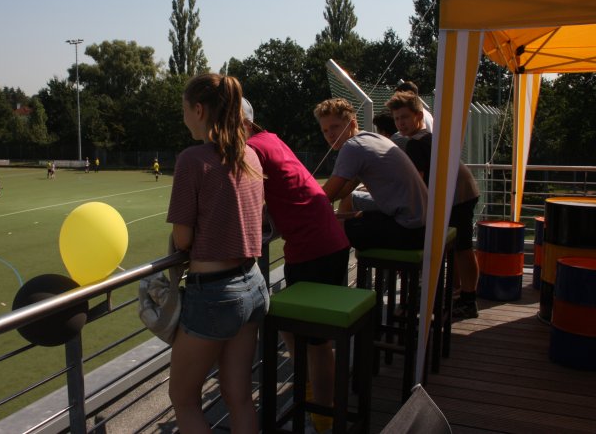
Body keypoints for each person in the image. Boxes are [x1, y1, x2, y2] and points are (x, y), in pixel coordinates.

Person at [167, 73, 267, 434]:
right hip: (253, 285)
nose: (184, 119)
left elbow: (183, 239)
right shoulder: (251, 155)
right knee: (238, 395)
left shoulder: (192, 160)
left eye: (184, 111)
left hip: (214, 295)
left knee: (183, 398)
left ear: (198, 109)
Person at [242, 97, 349, 433]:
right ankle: (313, 394)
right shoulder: (269, 139)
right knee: (289, 323)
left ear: (240, 124)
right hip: (325, 243)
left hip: (312, 249)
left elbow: (243, 203)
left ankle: (322, 417)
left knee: (317, 343)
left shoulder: (251, 149)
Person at [386, 91, 481, 318]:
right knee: (460, 248)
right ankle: (464, 296)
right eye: (397, 119)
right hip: (462, 192)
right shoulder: (426, 136)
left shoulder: (415, 143)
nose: (401, 123)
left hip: (458, 196)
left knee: (463, 248)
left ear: (418, 116)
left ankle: (469, 301)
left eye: (405, 117)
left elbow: (417, 182)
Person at [314, 98, 428, 251]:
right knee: (346, 216)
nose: (330, 135)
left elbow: (326, 196)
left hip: (409, 230)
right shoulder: (371, 138)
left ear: (352, 124)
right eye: (325, 131)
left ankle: (334, 267)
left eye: (335, 127)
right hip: (423, 224)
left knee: (328, 227)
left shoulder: (352, 147)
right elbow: (344, 190)